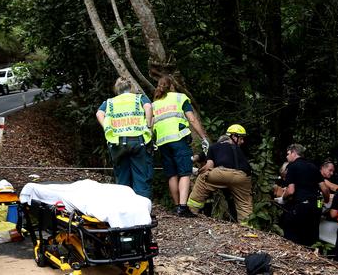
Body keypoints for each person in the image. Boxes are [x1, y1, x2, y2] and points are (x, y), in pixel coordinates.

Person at [151, 76, 209, 217]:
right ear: (172, 86)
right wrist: (203, 137)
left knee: (172, 174)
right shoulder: (180, 98)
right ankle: (183, 208)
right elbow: (192, 119)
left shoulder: (155, 104)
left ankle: (177, 206)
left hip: (162, 142)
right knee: (184, 172)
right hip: (178, 139)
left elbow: (151, 124)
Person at [96, 77, 153, 198]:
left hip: (117, 142)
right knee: (141, 177)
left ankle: (124, 211)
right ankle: (142, 211)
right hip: (138, 141)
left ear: (117, 89)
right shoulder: (139, 98)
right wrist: (148, 125)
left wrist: (107, 127)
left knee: (122, 179)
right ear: (131, 87)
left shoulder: (110, 102)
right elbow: (148, 107)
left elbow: (99, 113)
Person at [187, 124, 253, 223]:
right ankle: (248, 227)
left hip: (221, 173)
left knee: (202, 179)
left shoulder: (214, 147)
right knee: (244, 203)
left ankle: (191, 211)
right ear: (233, 136)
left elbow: (209, 166)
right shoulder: (239, 150)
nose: (242, 141)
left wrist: (198, 171)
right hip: (242, 176)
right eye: (241, 138)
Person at [281, 144, 329, 246]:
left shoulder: (292, 167)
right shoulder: (313, 167)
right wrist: (327, 200)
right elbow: (325, 189)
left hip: (301, 206)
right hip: (316, 206)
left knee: (293, 237)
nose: (287, 156)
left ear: (294, 153)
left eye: (288, 154)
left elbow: (290, 191)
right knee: (311, 238)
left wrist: (282, 198)